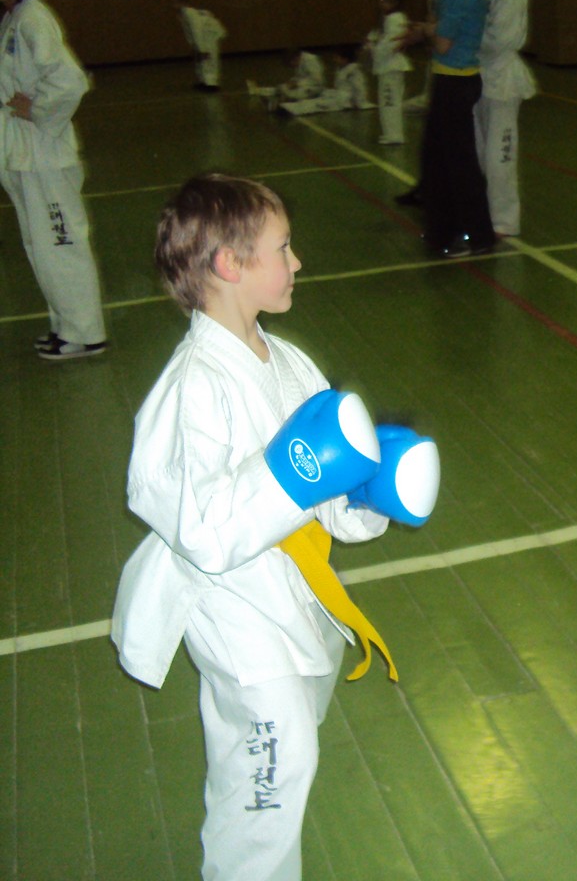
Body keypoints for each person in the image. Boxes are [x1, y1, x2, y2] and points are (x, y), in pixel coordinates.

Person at [111, 173, 440, 880]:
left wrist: (371, 497)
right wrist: (291, 475)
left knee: (295, 728)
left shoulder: (289, 362)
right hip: (231, 607)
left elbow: (328, 505)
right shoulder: (190, 389)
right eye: (283, 249)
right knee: (275, 757)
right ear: (230, 265)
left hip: (295, 596)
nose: (297, 262)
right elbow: (200, 529)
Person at [0, 0, 108, 360]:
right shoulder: (13, 19)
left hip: (46, 152)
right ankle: (67, 326)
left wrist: (38, 108)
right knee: (42, 247)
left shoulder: (33, 18)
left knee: (61, 244)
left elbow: (69, 80)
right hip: (24, 154)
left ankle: (86, 333)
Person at [397, 0, 495, 259]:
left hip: (456, 82)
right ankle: (446, 231)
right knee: (437, 160)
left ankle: (473, 235)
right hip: (450, 79)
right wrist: (426, 30)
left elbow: (443, 42)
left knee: (457, 164)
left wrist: (426, 31)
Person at [468, 0, 537, 239]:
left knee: (500, 155)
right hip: (482, 76)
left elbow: (502, 38)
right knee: (483, 152)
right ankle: (487, 213)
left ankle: (505, 221)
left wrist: (466, 39)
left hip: (503, 79)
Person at [366, 0, 413, 144]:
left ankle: (395, 135)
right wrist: (371, 42)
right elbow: (378, 38)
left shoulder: (396, 18)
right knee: (386, 102)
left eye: (388, 1)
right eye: (381, 0)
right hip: (386, 66)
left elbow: (390, 45)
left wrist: (373, 47)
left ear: (396, 2)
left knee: (390, 102)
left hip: (391, 66)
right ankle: (390, 133)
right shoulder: (386, 19)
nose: (383, 3)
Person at [279, 45, 375, 117]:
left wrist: (358, 102)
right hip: (339, 95)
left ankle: (292, 109)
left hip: (346, 100)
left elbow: (360, 88)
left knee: (318, 105)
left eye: (337, 57)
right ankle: (289, 107)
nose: (334, 60)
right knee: (318, 101)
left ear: (345, 59)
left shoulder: (354, 71)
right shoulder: (341, 69)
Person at [170, 0, 227, 92]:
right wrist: (194, 46)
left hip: (210, 35)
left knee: (208, 59)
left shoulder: (190, 13)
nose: (173, 5)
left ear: (183, 2)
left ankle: (212, 84)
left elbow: (197, 30)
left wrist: (202, 49)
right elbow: (189, 32)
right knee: (199, 60)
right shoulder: (182, 14)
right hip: (203, 36)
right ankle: (203, 81)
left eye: (175, 2)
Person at [248, 48, 326, 112]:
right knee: (282, 88)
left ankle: (280, 104)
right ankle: (259, 90)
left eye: (291, 63)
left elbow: (318, 80)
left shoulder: (311, 60)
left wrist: (297, 83)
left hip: (315, 87)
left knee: (294, 93)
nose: (292, 66)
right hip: (304, 85)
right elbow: (300, 76)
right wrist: (292, 82)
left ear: (295, 58)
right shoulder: (300, 61)